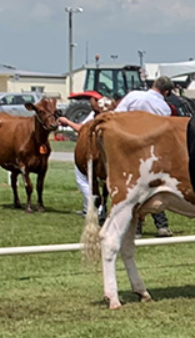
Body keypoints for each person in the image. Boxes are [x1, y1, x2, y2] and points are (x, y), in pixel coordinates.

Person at [64, 77, 177, 234]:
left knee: (133, 188)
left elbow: (115, 116)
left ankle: (135, 227)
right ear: (166, 92)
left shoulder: (133, 96)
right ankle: (161, 225)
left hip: (128, 147)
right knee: (152, 185)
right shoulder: (164, 107)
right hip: (151, 150)